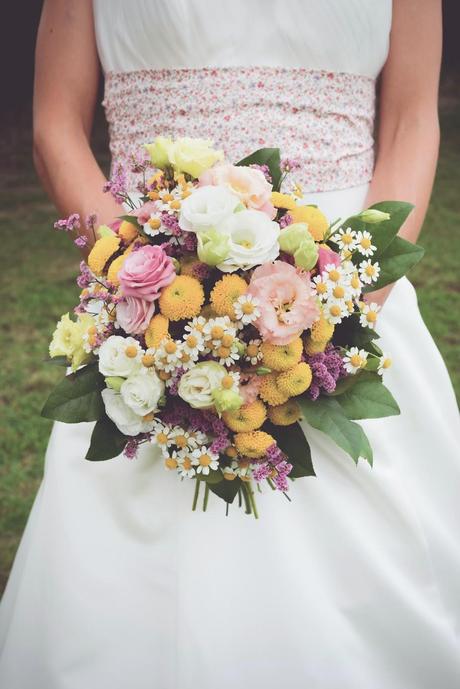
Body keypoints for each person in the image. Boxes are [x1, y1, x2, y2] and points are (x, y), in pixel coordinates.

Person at [1, 1, 459, 687]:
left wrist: (342, 308)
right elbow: (55, 124)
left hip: (344, 298)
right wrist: (143, 280)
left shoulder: (345, 307)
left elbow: (410, 119)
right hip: (152, 313)